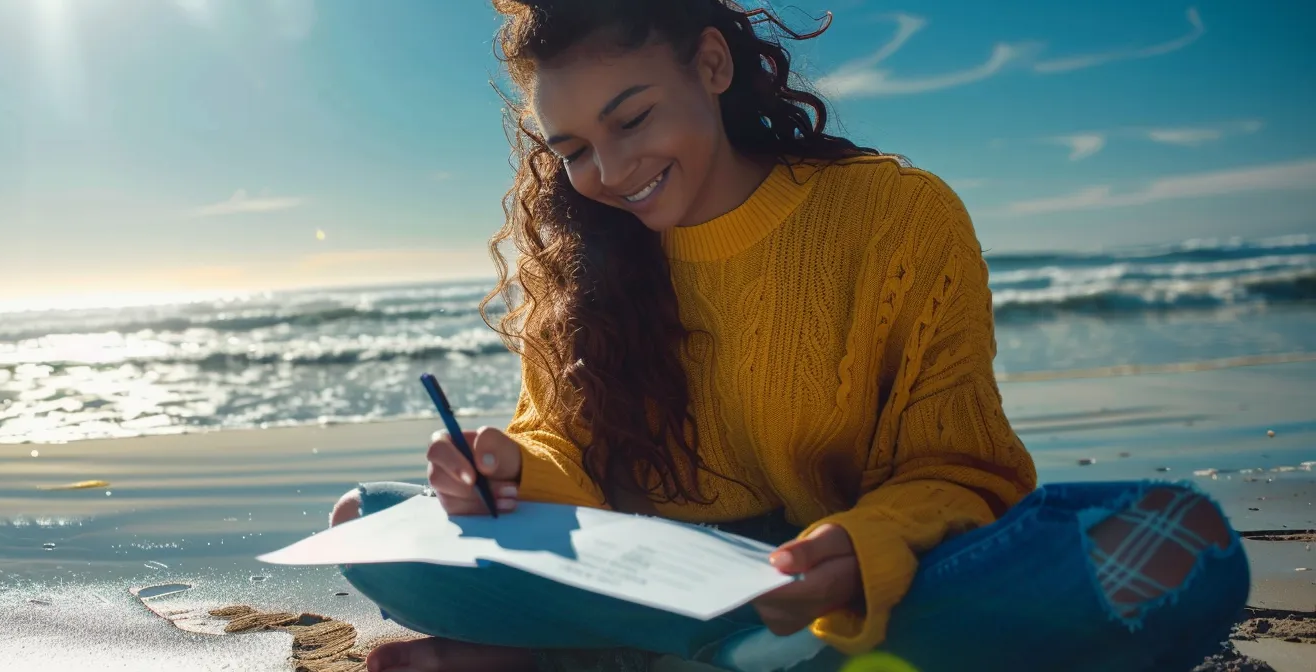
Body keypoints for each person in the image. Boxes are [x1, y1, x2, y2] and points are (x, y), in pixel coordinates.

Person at [324, 1, 1252, 671]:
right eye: (570, 151)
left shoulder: (898, 216)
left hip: (844, 580)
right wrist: (509, 472)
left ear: (713, 66)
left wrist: (864, 547)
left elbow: (961, 471)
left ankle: (617, 657)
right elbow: (560, 445)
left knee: (1183, 549)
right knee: (368, 530)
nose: (606, 171)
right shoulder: (579, 259)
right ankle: (752, 655)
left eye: (632, 117)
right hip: (642, 571)